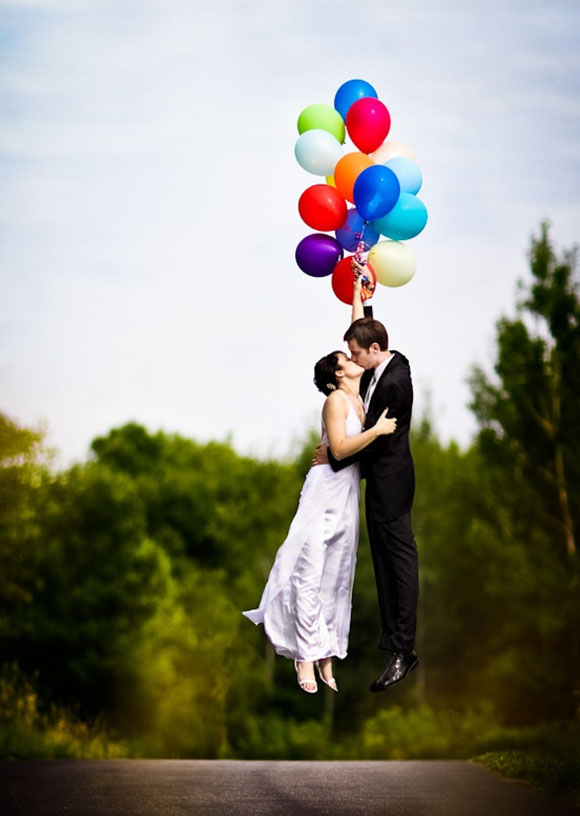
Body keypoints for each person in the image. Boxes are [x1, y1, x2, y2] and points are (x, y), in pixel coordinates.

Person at [243, 287, 397, 694]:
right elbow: (341, 448)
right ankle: (304, 657)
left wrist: (359, 294)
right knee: (308, 569)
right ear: (337, 374)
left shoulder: (360, 399)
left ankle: (327, 652)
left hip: (346, 495)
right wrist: (379, 431)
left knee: (337, 574)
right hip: (324, 491)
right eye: (346, 359)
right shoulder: (335, 401)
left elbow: (357, 333)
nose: (353, 357)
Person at [316, 264, 419, 691]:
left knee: (398, 564)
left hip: (390, 485)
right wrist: (363, 291)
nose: (351, 361)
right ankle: (396, 646)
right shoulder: (382, 362)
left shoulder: (394, 384)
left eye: (355, 355)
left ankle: (402, 651)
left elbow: (374, 441)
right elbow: (361, 330)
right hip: (379, 485)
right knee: (382, 566)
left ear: (373, 350)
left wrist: (333, 457)